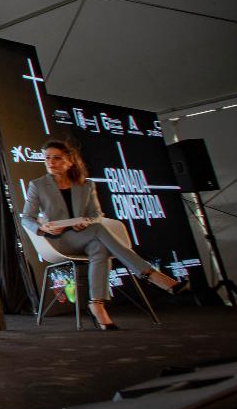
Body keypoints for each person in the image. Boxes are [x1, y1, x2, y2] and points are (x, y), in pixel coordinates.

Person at [20, 140, 184, 329]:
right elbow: (27, 218)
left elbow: (97, 215)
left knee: (99, 248)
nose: (51, 162)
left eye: (57, 158)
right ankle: (149, 274)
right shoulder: (37, 185)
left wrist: (85, 222)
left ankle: (97, 305)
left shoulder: (85, 185)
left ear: (70, 161)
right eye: (47, 158)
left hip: (87, 236)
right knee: (98, 233)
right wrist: (43, 229)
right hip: (60, 240)